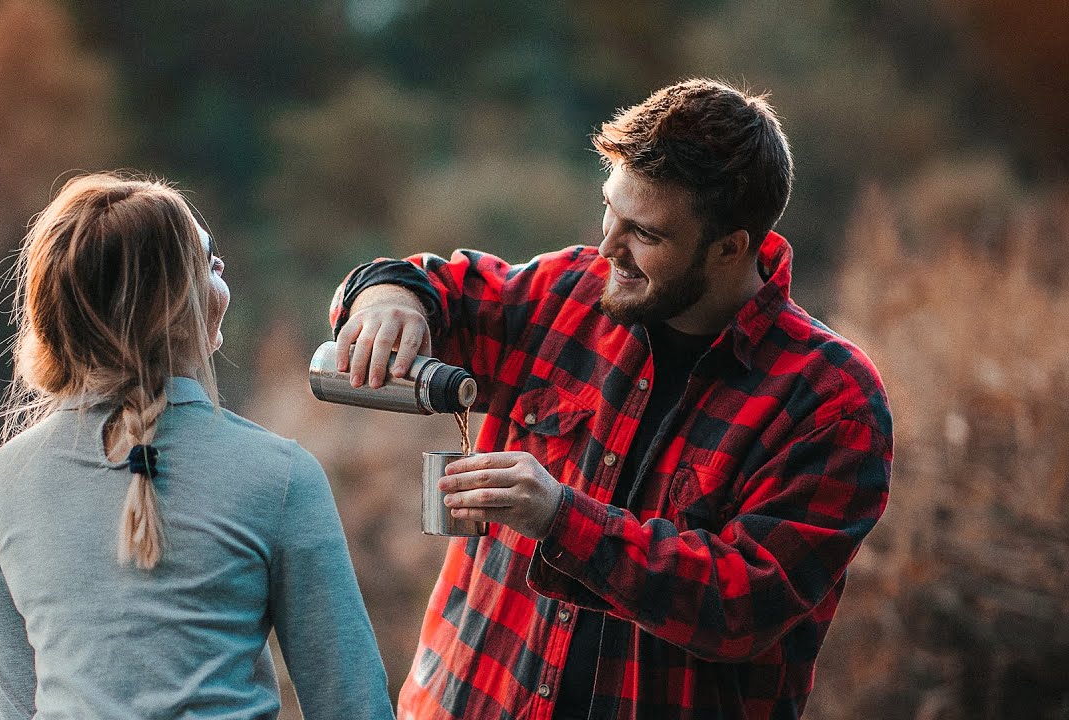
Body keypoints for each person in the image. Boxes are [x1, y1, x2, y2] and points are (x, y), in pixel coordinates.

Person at [329, 79, 893, 719]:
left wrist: (559, 518)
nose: (606, 248)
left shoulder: (832, 403)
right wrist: (386, 301)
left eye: (644, 234)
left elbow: (744, 604)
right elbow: (429, 284)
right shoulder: (566, 292)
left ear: (732, 246)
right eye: (610, 210)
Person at [0, 172, 395, 720]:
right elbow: (353, 706)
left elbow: (7, 710)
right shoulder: (280, 476)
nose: (222, 269)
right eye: (208, 257)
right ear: (174, 303)